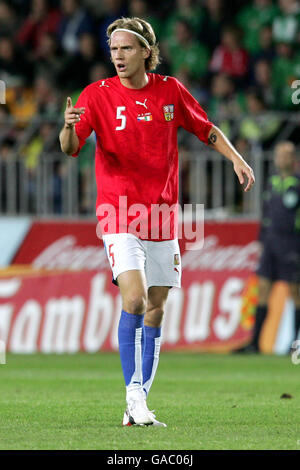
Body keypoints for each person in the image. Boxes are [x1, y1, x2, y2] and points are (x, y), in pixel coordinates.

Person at [59, 16, 255, 427]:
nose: (117, 56)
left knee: (156, 309)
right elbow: (71, 148)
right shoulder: (96, 95)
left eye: (126, 48)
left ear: (146, 51)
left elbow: (207, 130)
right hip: (118, 213)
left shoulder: (169, 91)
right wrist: (67, 129)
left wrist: (237, 159)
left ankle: (138, 403)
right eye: (112, 49)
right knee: (134, 298)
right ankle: (133, 393)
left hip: (163, 215)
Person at [237, 141, 300, 353]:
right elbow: (265, 215)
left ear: (293, 159)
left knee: (295, 291)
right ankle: (255, 343)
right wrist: (262, 240)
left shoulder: (298, 182)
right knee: (262, 287)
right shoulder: (272, 182)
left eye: (286, 155)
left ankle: (295, 344)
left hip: (292, 242)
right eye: (279, 155)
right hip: (271, 241)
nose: (281, 159)